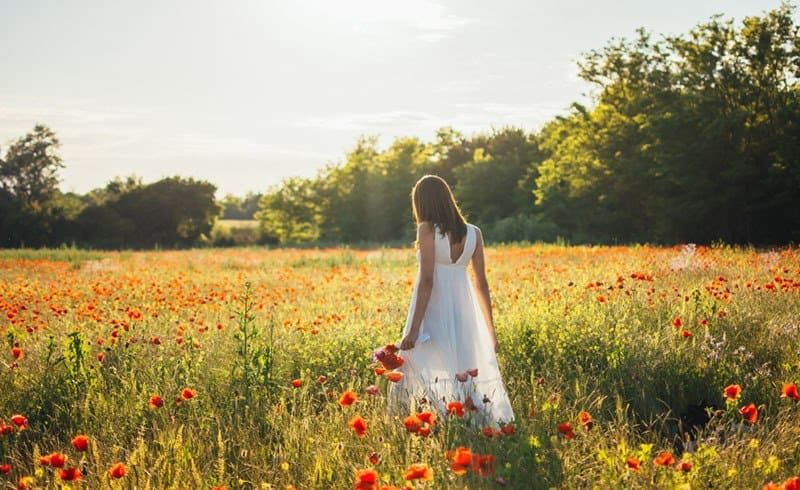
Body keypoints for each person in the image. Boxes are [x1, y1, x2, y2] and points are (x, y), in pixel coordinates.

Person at [387, 174, 514, 426]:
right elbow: (481, 283)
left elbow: (427, 281)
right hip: (464, 308)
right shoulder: (474, 233)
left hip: (434, 307)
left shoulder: (427, 229)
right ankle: (467, 422)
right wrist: (490, 330)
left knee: (422, 365)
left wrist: (413, 329)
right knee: (463, 364)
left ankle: (433, 422)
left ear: (422, 203)